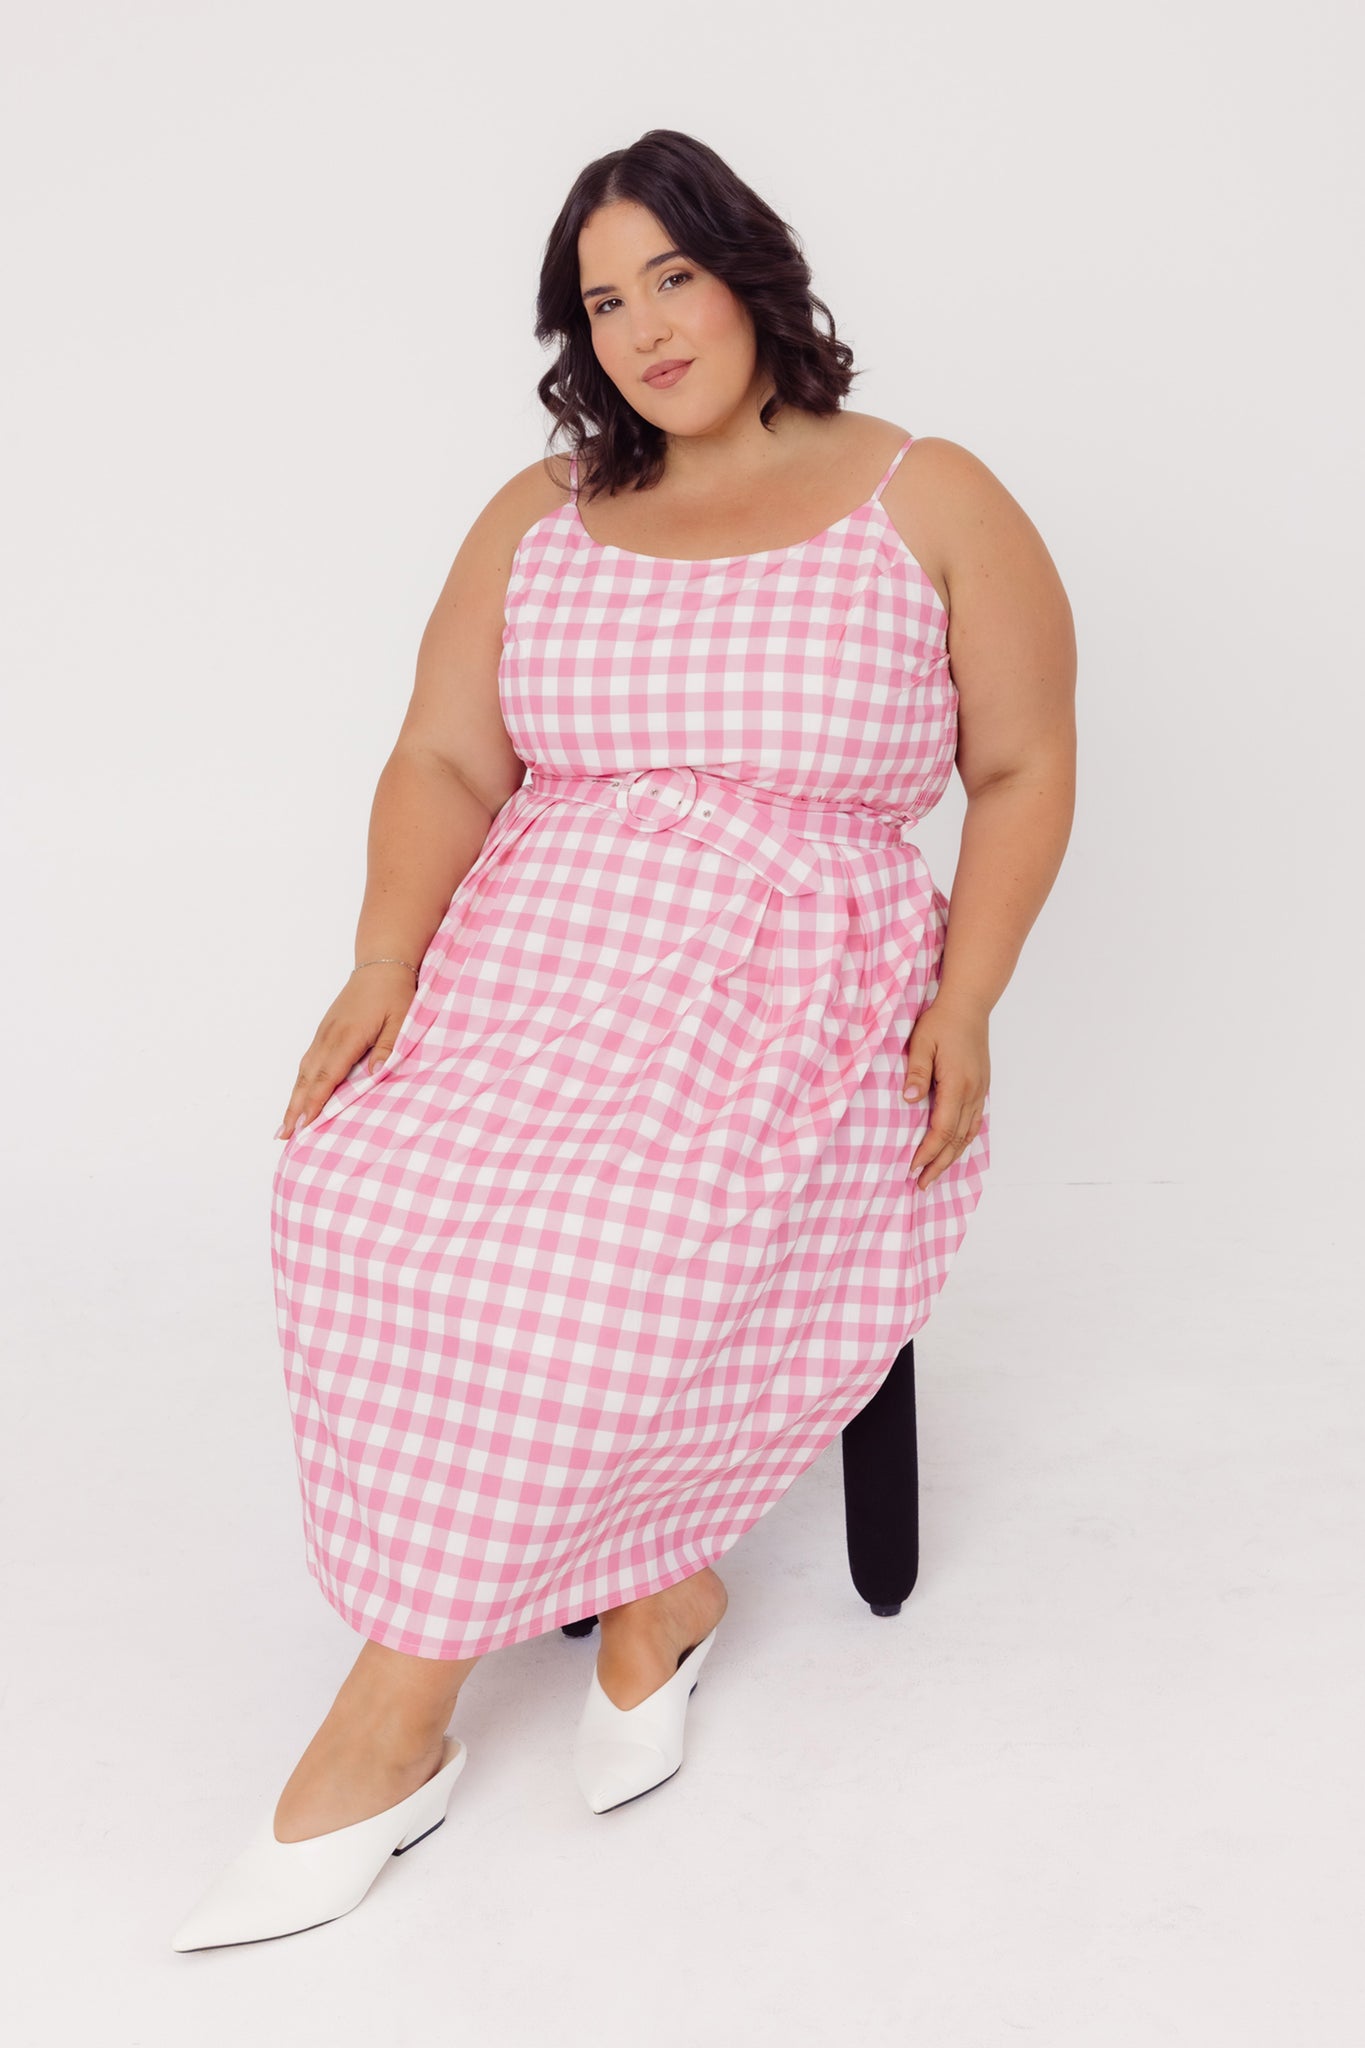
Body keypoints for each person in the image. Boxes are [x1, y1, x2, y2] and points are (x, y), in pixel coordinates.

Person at [171, 128, 1076, 1951]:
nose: (646, 325)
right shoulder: (545, 511)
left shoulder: (929, 493)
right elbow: (444, 755)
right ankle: (657, 1580)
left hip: (787, 980)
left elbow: (1018, 764)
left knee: (593, 1244)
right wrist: (379, 962)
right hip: (541, 959)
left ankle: (392, 1721)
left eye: (673, 273)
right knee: (353, 1189)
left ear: (753, 272)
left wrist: (964, 997)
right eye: (604, 298)